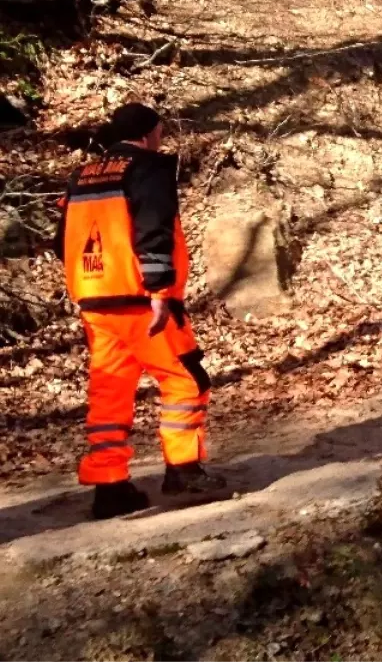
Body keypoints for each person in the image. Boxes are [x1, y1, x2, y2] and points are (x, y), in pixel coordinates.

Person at [57, 103, 225, 520]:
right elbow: (154, 226)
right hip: (140, 301)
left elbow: (61, 237)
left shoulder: (83, 176)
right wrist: (158, 290)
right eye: (161, 131)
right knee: (186, 379)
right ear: (150, 132)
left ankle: (110, 486)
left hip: (95, 302)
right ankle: (183, 469)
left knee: (110, 393)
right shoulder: (148, 168)